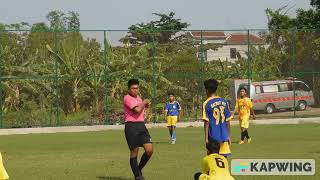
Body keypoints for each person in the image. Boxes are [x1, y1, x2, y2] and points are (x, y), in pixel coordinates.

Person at [123, 79, 153, 180]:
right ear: (129, 89)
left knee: (149, 150)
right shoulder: (127, 98)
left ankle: (138, 170)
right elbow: (137, 110)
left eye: (137, 88)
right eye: (133, 88)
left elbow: (141, 108)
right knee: (134, 152)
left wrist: (146, 104)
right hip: (131, 126)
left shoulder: (139, 98)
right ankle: (138, 176)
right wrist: (144, 102)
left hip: (141, 126)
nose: (135, 90)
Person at [202, 79, 233, 157]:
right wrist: (229, 135)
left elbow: (206, 122)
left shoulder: (206, 103)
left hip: (213, 138)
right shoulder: (224, 101)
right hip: (224, 136)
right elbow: (228, 120)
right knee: (223, 162)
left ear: (206, 90)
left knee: (213, 161)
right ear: (216, 89)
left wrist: (206, 138)